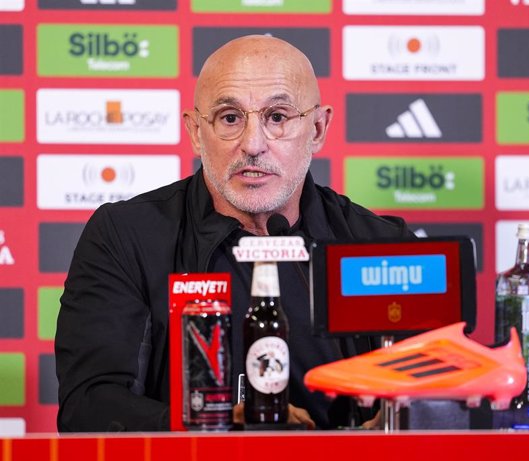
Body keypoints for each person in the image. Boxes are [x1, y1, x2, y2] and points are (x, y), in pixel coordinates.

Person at [55, 34, 413, 432]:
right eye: (230, 117)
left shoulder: (382, 245)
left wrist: (400, 422)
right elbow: (89, 407)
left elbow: (442, 390)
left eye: (277, 117)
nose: (253, 144)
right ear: (195, 131)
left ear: (316, 128)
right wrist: (218, 427)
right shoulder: (126, 237)